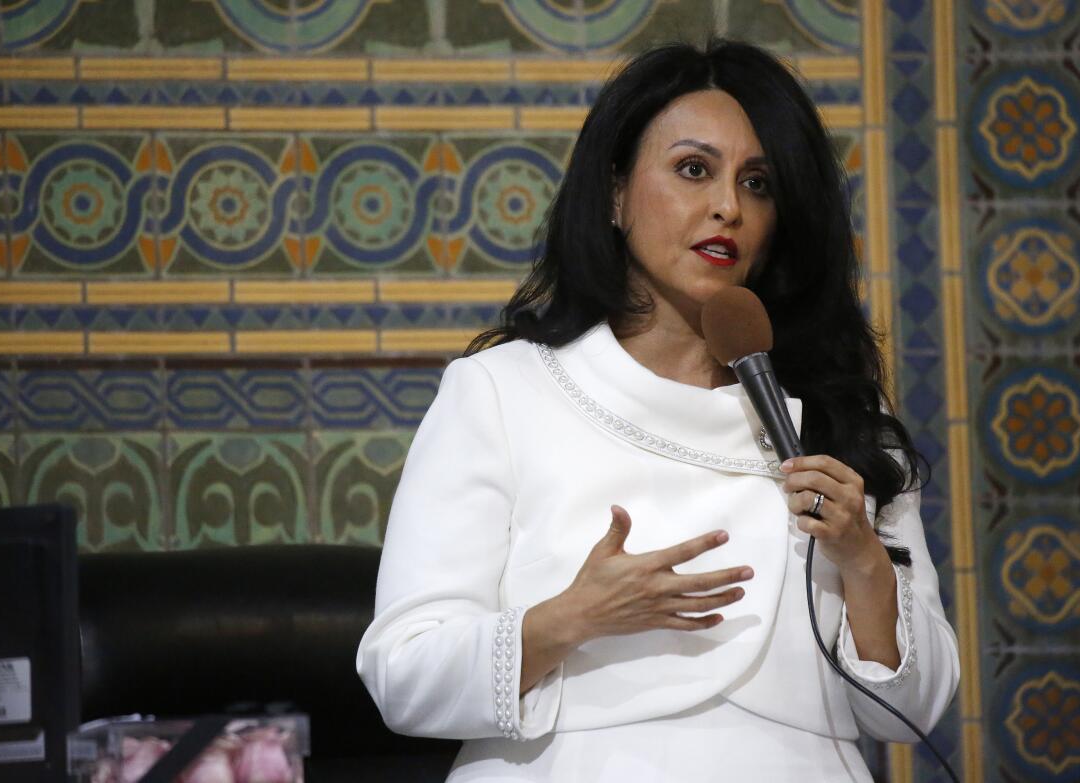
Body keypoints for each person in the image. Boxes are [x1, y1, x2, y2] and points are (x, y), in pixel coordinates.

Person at [357, 39, 960, 781]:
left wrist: (866, 563)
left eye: (759, 183)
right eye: (693, 169)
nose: (727, 207)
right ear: (615, 195)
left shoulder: (844, 417)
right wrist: (574, 616)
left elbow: (916, 709)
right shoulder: (504, 390)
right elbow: (403, 672)